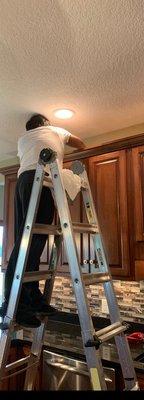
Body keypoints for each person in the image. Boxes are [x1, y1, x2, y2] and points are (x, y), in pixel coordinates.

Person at [0, 114, 86, 327]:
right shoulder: (55, 130)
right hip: (41, 181)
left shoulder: (23, 139)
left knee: (29, 242)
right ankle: (16, 306)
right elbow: (81, 144)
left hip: (23, 182)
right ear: (46, 123)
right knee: (30, 243)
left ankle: (32, 297)